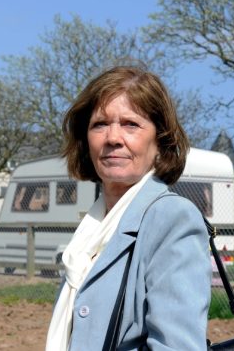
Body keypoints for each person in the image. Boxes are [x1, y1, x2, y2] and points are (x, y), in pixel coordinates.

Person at [46, 65, 212, 350]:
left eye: (130, 124)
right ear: (86, 142)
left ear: (160, 141)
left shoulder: (172, 218)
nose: (112, 138)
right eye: (100, 124)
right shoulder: (94, 228)